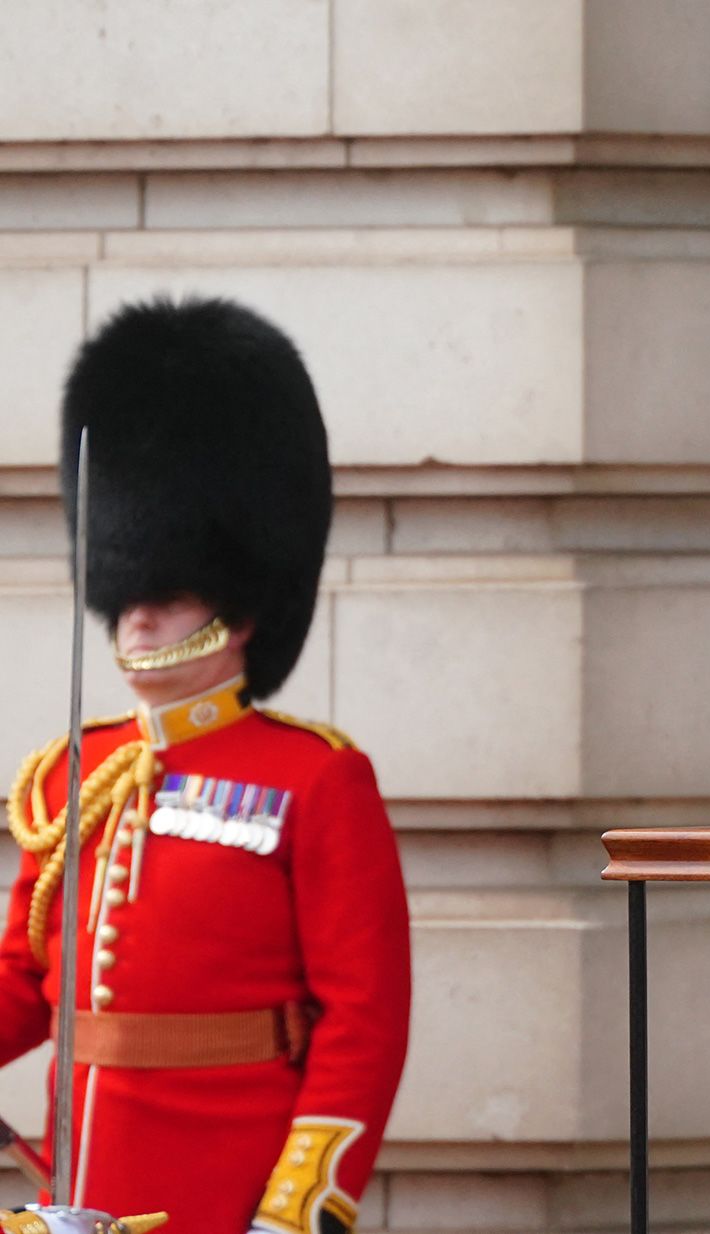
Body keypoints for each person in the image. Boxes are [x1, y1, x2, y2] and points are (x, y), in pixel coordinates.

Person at [0, 298, 413, 1233]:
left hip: (229, 1189)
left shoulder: (313, 779)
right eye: (126, 595)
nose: (135, 618)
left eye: (168, 595)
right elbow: (26, 979)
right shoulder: (70, 777)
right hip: (76, 1181)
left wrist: (300, 1205)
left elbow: (363, 1024)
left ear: (242, 609)